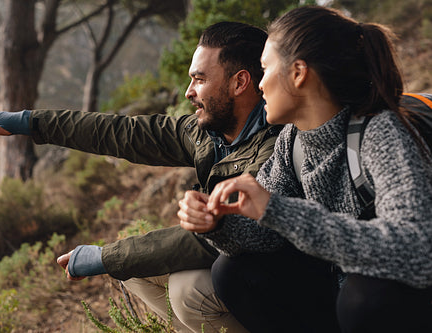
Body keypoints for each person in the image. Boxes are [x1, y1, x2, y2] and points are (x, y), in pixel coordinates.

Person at [0, 22, 284, 332]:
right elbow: (120, 133)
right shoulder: (208, 133)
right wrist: (30, 122)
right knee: (134, 270)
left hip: (282, 281)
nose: (188, 92)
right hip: (238, 266)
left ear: (239, 83)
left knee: (189, 291)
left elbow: (212, 239)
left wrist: (104, 257)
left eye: (199, 79)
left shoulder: (272, 149)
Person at [178, 6, 432, 333]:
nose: (260, 85)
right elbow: (264, 235)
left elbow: (417, 250)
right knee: (233, 271)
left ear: (298, 73)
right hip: (342, 298)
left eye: (265, 69)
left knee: (364, 297)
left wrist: (278, 209)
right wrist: (217, 221)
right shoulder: (292, 142)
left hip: (400, 298)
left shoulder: (380, 133)